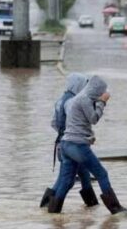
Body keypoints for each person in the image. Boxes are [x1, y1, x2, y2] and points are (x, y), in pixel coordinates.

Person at [48, 75, 127, 214]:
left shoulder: (76, 99)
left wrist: (88, 138)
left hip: (66, 145)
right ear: (96, 90)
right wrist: (102, 102)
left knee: (66, 181)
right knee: (102, 174)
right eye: (101, 91)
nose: (101, 94)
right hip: (77, 146)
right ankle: (115, 208)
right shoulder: (84, 99)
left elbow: (78, 125)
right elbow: (93, 119)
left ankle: (53, 213)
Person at [40, 73, 99, 209]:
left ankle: (92, 207)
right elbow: (79, 123)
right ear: (77, 84)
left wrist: (63, 134)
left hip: (62, 144)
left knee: (83, 175)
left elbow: (54, 123)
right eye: (83, 85)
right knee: (66, 179)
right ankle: (49, 206)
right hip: (73, 144)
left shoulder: (60, 100)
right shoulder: (73, 101)